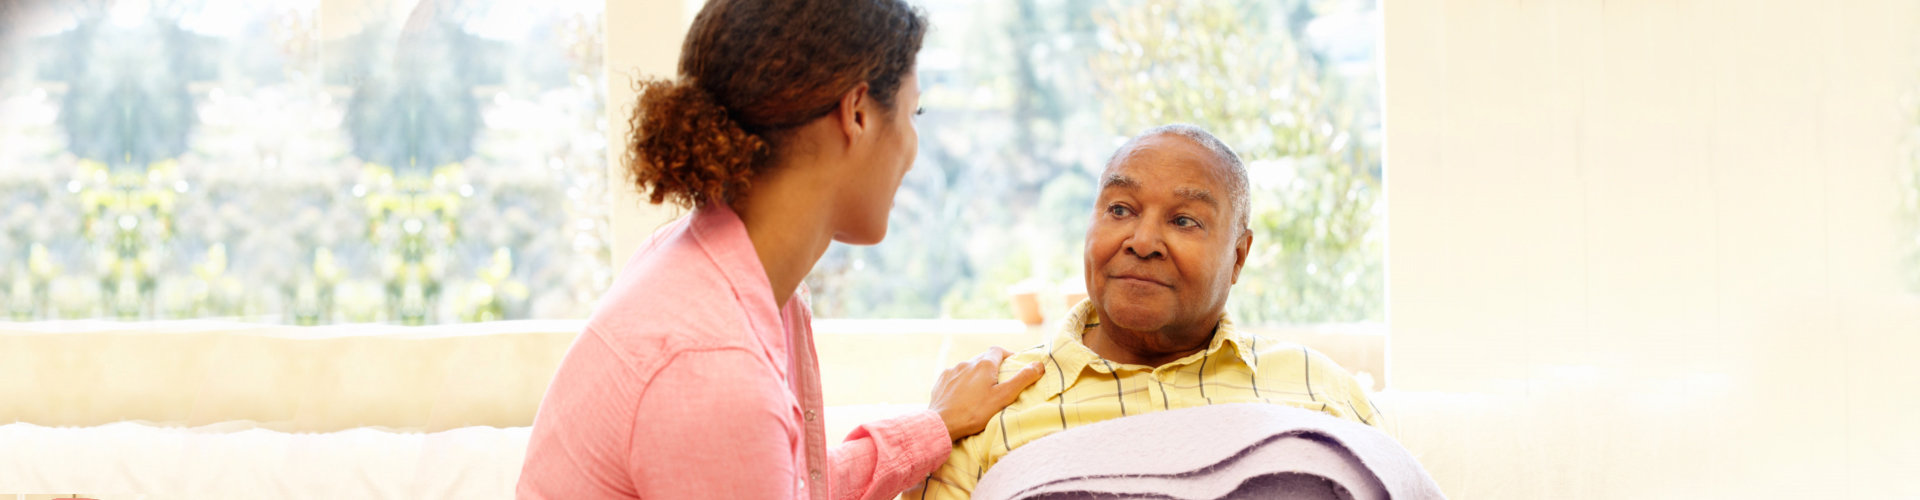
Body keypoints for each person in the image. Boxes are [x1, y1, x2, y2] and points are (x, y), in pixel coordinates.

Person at [517, 0, 1045, 498]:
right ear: (857, 113)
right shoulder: (714, 368)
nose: (912, 148)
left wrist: (935, 427)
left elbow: (786, 481)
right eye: (914, 114)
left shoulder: (718, 265)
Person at [903, 124, 1382, 499]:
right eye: (1120, 210)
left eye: (1183, 220)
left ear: (1238, 256)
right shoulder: (986, 405)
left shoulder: (1321, 392)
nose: (1143, 241)